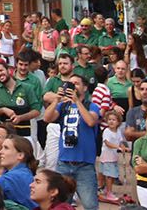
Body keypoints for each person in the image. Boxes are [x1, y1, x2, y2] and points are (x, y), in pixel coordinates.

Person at [43, 73, 100, 210]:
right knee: (61, 205)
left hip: (84, 165)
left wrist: (77, 102)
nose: (73, 87)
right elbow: (47, 118)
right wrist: (56, 100)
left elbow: (91, 121)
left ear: (85, 88)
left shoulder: (91, 105)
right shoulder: (63, 106)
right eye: (71, 83)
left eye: (77, 84)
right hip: (64, 163)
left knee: (90, 205)